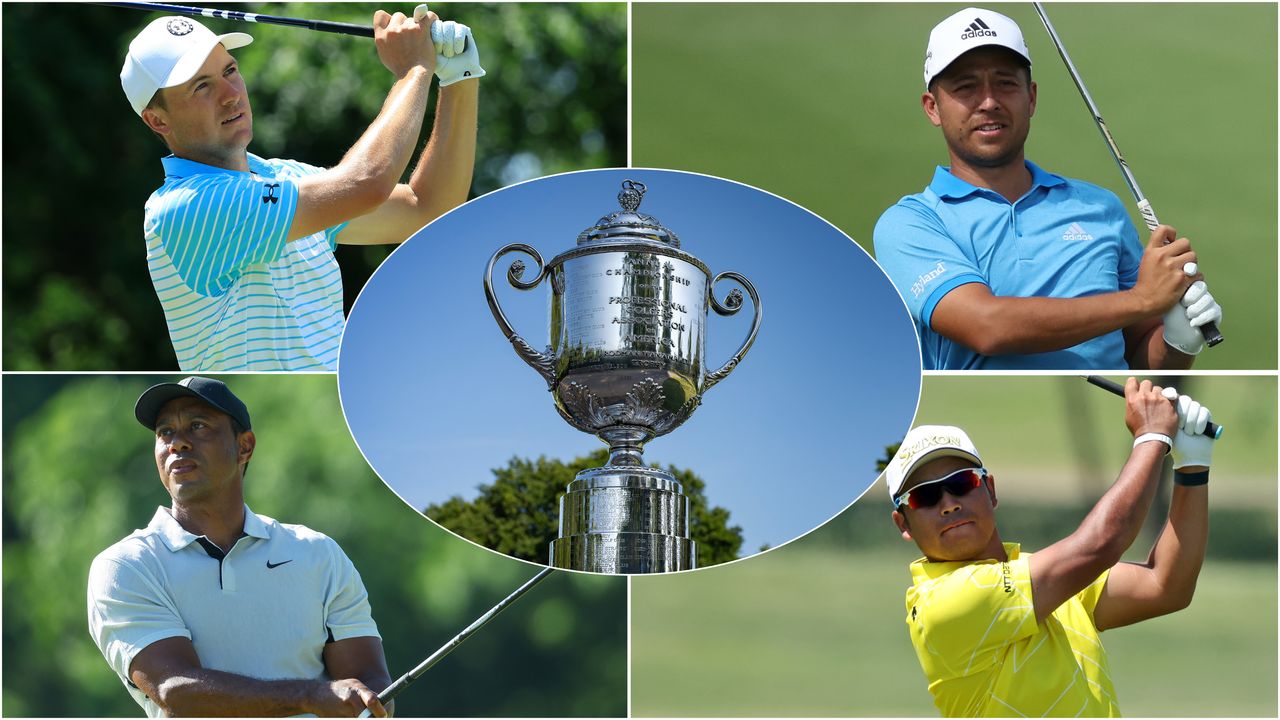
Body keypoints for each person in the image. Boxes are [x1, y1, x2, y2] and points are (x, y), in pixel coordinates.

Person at [120, 7, 482, 371]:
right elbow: (365, 183)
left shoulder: (285, 176)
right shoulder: (183, 208)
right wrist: (414, 69)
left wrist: (459, 78)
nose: (231, 94)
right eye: (202, 86)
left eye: (230, 70)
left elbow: (425, 209)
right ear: (157, 120)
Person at [873, 7, 1223, 370]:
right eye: (966, 87)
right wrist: (1143, 299)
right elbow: (987, 327)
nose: (989, 101)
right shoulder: (910, 224)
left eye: (1006, 83)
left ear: (1032, 98)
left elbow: (1143, 362)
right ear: (933, 108)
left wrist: (1178, 339)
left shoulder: (1101, 208)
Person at [884, 378, 1214, 716]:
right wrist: (1152, 437)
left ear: (990, 490)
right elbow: (1101, 544)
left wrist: (1192, 466)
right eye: (925, 496)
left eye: (962, 483)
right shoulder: (941, 605)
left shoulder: (1040, 580)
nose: (949, 503)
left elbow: (1165, 585)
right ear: (903, 524)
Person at [88, 377, 392, 717]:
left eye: (198, 426)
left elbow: (368, 679)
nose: (177, 444)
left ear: (244, 446)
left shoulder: (319, 554)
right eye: (165, 432)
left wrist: (369, 702)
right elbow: (175, 689)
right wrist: (309, 695)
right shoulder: (127, 565)